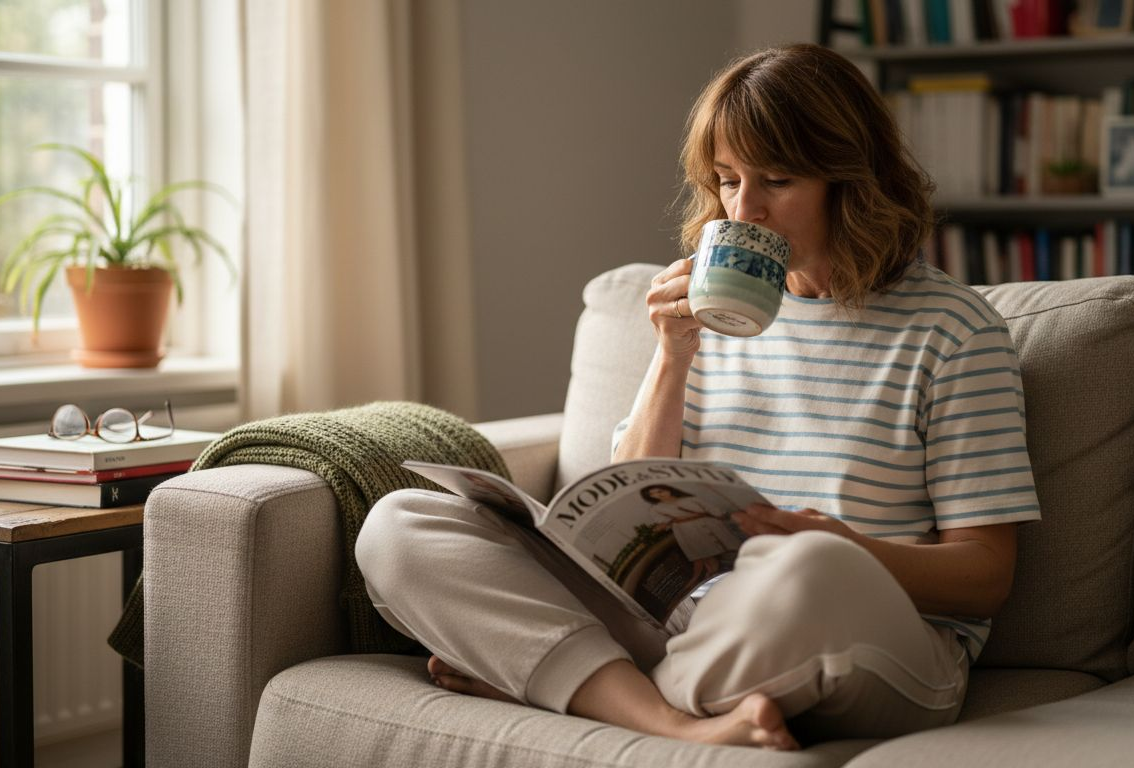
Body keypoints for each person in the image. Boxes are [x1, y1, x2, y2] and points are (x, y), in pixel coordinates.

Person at [356, 43, 1039, 750]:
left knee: (805, 568)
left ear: (852, 182)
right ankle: (675, 720)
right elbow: (619, 514)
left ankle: (565, 681)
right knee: (401, 525)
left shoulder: (955, 332)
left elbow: (984, 579)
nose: (746, 210)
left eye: (777, 180)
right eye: (727, 180)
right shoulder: (711, 316)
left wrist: (846, 545)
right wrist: (672, 357)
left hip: (862, 631)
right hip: (685, 619)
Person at [640, 484, 742, 588]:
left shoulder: (691, 499)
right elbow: (663, 523)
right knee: (707, 555)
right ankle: (718, 581)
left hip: (710, 524)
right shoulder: (656, 509)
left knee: (730, 547)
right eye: (653, 494)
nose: (658, 494)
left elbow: (716, 511)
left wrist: (721, 514)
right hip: (687, 531)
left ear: (669, 489)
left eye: (660, 491)